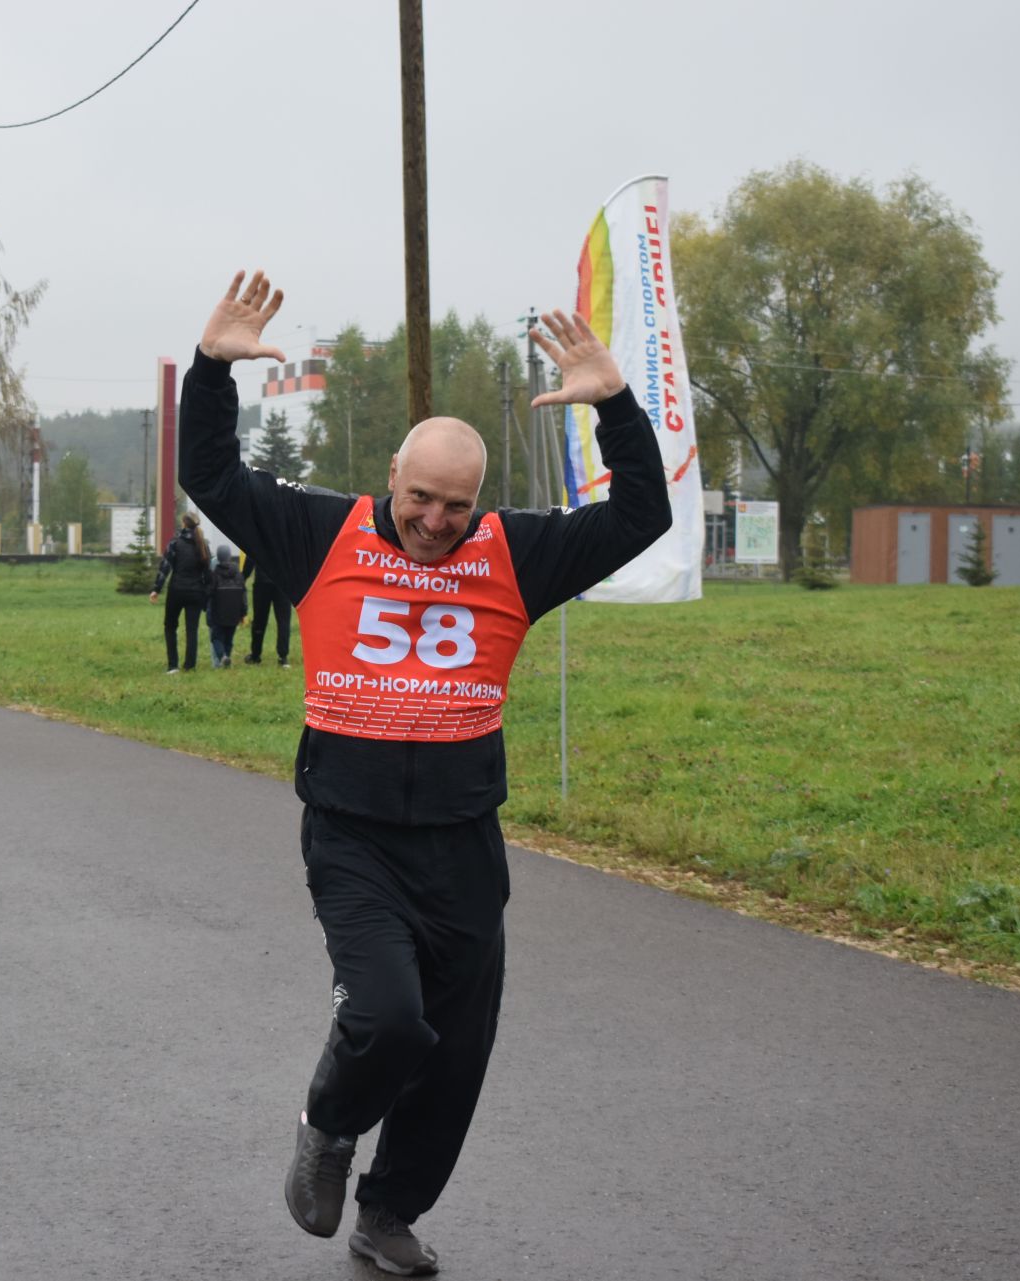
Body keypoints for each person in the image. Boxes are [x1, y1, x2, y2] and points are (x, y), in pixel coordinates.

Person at [180, 271, 670, 1276]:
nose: (435, 522)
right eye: (418, 498)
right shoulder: (318, 533)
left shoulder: (515, 555)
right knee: (387, 1019)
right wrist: (212, 369)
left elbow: (640, 518)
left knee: (451, 1051)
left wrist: (617, 406)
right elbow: (213, 475)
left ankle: (390, 1212)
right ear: (390, 477)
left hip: (462, 843)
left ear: (478, 503)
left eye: (455, 505)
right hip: (351, 832)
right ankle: (326, 1127)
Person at [148, 511, 211, 673]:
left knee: (170, 626)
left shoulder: (175, 542)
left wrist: (156, 589)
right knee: (192, 629)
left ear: (183, 523)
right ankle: (190, 666)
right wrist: (206, 593)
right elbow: (208, 574)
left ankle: (173, 665)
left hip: (176, 590)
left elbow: (165, 567)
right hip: (196, 592)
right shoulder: (203, 544)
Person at [242, 554, 291, 667]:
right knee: (283, 621)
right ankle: (283, 656)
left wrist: (243, 576)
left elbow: (251, 554)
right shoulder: (286, 536)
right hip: (283, 582)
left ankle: (255, 654)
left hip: (262, 581)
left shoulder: (260, 536)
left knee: (259, 620)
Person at [206, 543, 247, 669]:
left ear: (217, 557)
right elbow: (243, 594)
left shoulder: (214, 573)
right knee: (229, 639)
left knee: (216, 638)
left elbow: (209, 593)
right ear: (229, 556)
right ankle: (227, 659)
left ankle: (223, 657)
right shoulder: (238, 574)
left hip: (218, 613)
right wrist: (243, 613)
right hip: (234, 613)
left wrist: (205, 607)